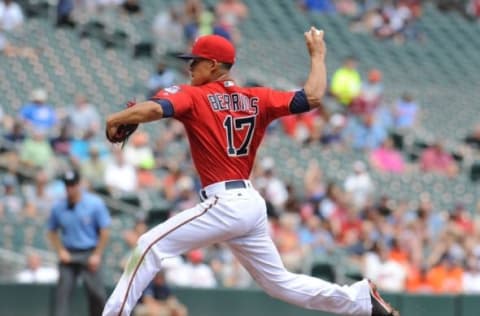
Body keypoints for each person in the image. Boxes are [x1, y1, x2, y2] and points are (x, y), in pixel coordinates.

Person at [104, 30, 399, 316]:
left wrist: (117, 117)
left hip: (226, 204)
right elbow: (312, 96)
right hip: (249, 203)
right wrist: (318, 55)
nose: (190, 66)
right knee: (279, 283)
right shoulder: (258, 97)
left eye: (195, 60)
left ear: (213, 65)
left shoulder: (194, 96)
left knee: (149, 245)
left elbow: (156, 110)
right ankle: (359, 301)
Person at [47, 169, 111, 316]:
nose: (70, 188)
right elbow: (51, 231)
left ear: (79, 184)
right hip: (69, 254)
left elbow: (105, 231)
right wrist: (60, 250)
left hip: (89, 253)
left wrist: (97, 254)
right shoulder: (59, 207)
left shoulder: (94, 203)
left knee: (97, 295)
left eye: (73, 184)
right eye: (67, 185)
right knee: (62, 295)